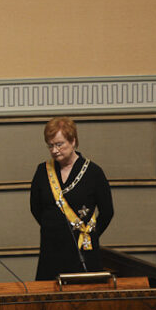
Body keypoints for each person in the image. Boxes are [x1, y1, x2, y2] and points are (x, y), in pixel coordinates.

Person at [30, 117, 113, 280]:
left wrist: (90, 234)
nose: (54, 150)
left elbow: (107, 211)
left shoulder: (93, 172)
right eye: (50, 145)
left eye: (59, 144)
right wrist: (54, 228)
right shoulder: (42, 171)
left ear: (73, 141)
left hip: (82, 250)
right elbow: (35, 207)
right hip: (51, 249)